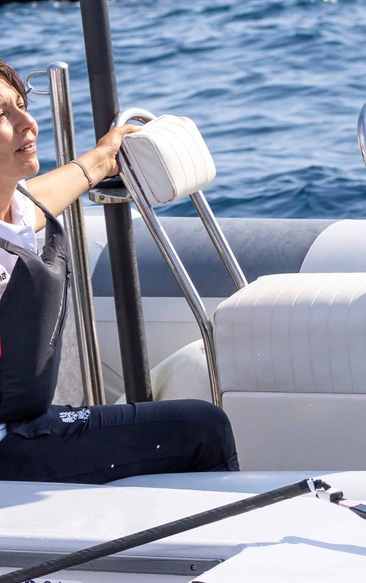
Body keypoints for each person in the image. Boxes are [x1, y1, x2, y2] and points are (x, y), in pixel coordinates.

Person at [0, 60, 239, 481]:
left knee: (194, 424)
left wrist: (102, 159)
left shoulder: (16, 208)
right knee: (203, 430)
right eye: (3, 114)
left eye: (22, 104)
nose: (28, 123)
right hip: (10, 448)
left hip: (27, 426)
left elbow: (40, 198)